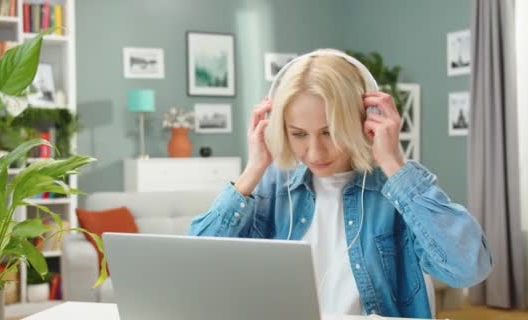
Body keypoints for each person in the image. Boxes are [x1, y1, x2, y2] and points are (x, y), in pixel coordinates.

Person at [188, 48, 492, 319]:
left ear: (365, 119)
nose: (315, 153)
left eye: (330, 132)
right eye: (298, 134)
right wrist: (253, 170)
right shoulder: (270, 187)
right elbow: (195, 268)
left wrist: (393, 163)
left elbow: (468, 268)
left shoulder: (398, 186)